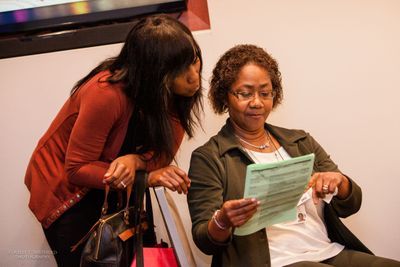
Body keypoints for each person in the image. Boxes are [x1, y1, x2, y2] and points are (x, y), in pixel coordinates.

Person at [187, 44, 400, 267]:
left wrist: (341, 182)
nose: (257, 102)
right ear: (225, 96)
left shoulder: (300, 141)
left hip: (326, 250)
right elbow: (205, 240)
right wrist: (222, 220)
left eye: (265, 93)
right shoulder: (209, 157)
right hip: (272, 261)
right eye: (245, 93)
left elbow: (350, 205)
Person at [24, 14, 203, 267]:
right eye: (181, 68)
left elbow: (161, 157)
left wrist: (136, 161)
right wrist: (147, 176)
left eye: (194, 60)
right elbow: (76, 168)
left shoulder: (176, 92)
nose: (194, 76)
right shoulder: (105, 93)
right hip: (71, 196)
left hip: (118, 187)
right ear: (154, 71)